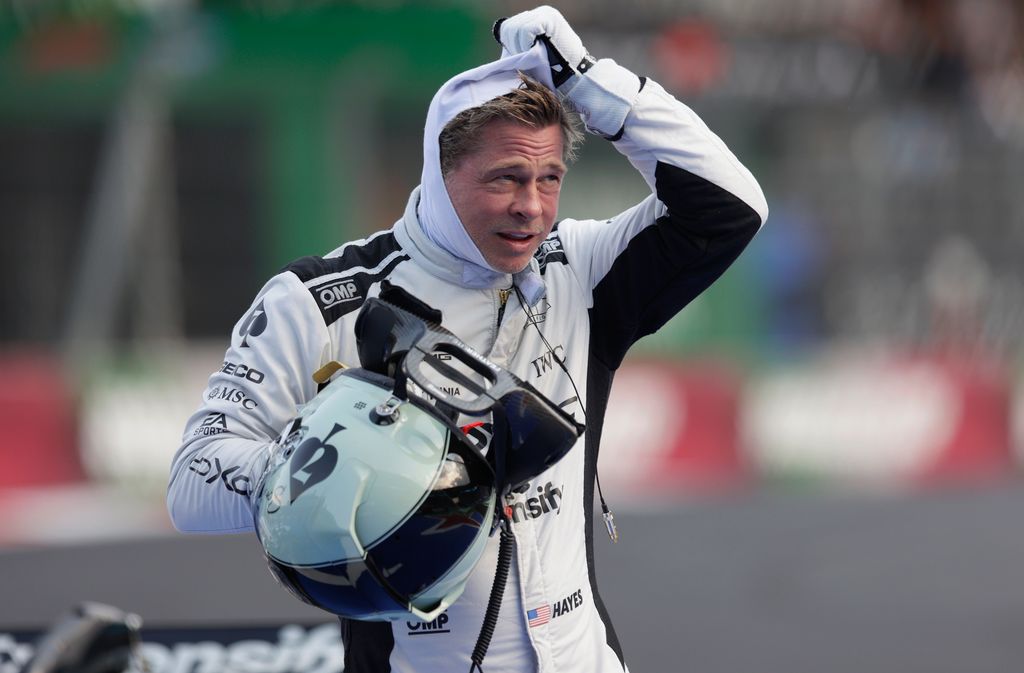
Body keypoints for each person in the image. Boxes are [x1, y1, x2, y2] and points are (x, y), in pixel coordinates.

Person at [167, 6, 768, 673]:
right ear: (440, 170)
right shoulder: (317, 300)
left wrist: (588, 83)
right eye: (505, 177)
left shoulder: (581, 268)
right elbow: (192, 484)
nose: (531, 207)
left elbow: (731, 206)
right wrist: (342, 459)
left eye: (549, 179)